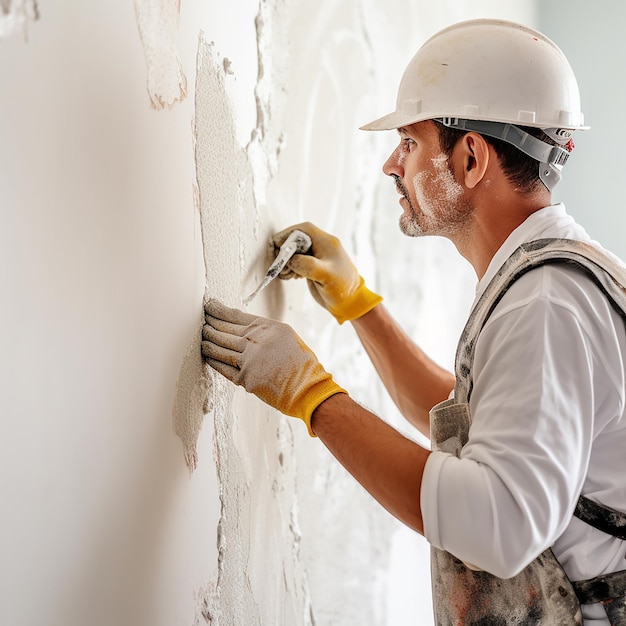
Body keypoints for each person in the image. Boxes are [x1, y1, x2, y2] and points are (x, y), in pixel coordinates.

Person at [202, 19, 626, 625]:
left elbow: (498, 525)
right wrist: (358, 306)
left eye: (409, 143)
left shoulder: (545, 303)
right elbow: (476, 422)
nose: (391, 166)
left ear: (471, 156)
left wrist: (314, 398)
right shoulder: (553, 279)